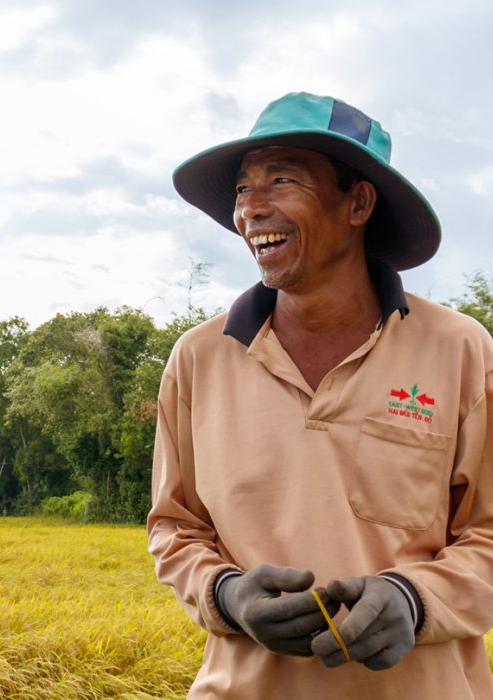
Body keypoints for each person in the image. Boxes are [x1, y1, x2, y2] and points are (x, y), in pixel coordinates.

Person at [147, 92, 493, 698]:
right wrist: (227, 595)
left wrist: (415, 600)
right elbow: (175, 528)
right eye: (242, 189)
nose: (251, 209)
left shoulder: (461, 351)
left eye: (282, 179)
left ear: (357, 202)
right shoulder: (199, 359)